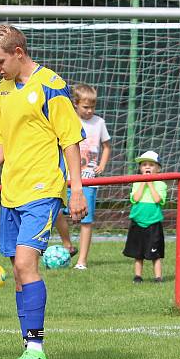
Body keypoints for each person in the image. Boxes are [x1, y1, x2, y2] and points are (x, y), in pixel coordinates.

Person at [0, 24, 87, 359]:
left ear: (18, 53)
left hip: (43, 191)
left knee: (27, 264)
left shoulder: (51, 85)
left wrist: (75, 189)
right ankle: (28, 345)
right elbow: (5, 142)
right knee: (17, 271)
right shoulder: (4, 89)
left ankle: (36, 349)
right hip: (12, 191)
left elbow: (70, 140)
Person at [54, 83, 111, 270]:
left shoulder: (99, 123)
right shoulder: (68, 121)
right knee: (55, 212)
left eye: (93, 107)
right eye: (86, 107)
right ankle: (67, 244)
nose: (90, 111)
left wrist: (101, 165)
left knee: (86, 220)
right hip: (67, 179)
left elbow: (107, 146)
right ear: (75, 104)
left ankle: (82, 261)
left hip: (88, 181)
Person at [122, 151, 166, 283]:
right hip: (138, 222)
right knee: (138, 253)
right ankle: (138, 276)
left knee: (155, 254)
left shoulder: (161, 184)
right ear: (140, 168)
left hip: (153, 223)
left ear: (158, 169)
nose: (147, 167)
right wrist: (143, 182)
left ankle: (158, 277)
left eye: (151, 165)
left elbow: (158, 199)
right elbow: (135, 198)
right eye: (144, 164)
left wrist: (151, 184)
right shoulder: (136, 183)